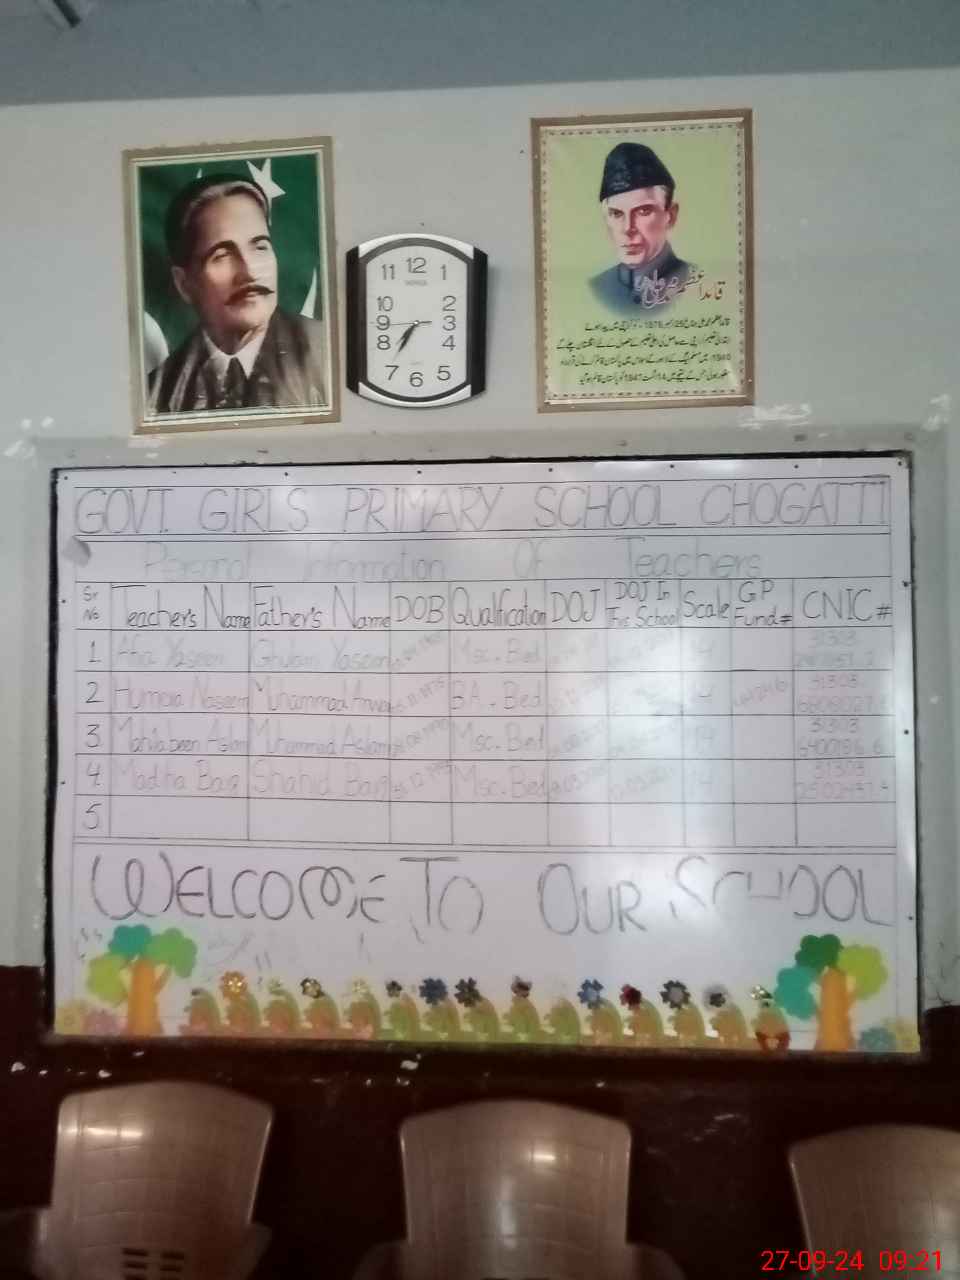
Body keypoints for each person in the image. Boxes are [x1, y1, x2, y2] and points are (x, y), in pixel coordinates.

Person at [147, 173, 326, 414]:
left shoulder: (331, 357)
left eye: (260, 247)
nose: (249, 271)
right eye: (222, 255)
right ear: (184, 284)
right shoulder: (156, 396)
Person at [590, 141, 692, 314]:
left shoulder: (696, 283)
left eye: (643, 211)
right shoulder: (596, 288)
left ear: (671, 216)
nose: (628, 228)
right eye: (616, 213)